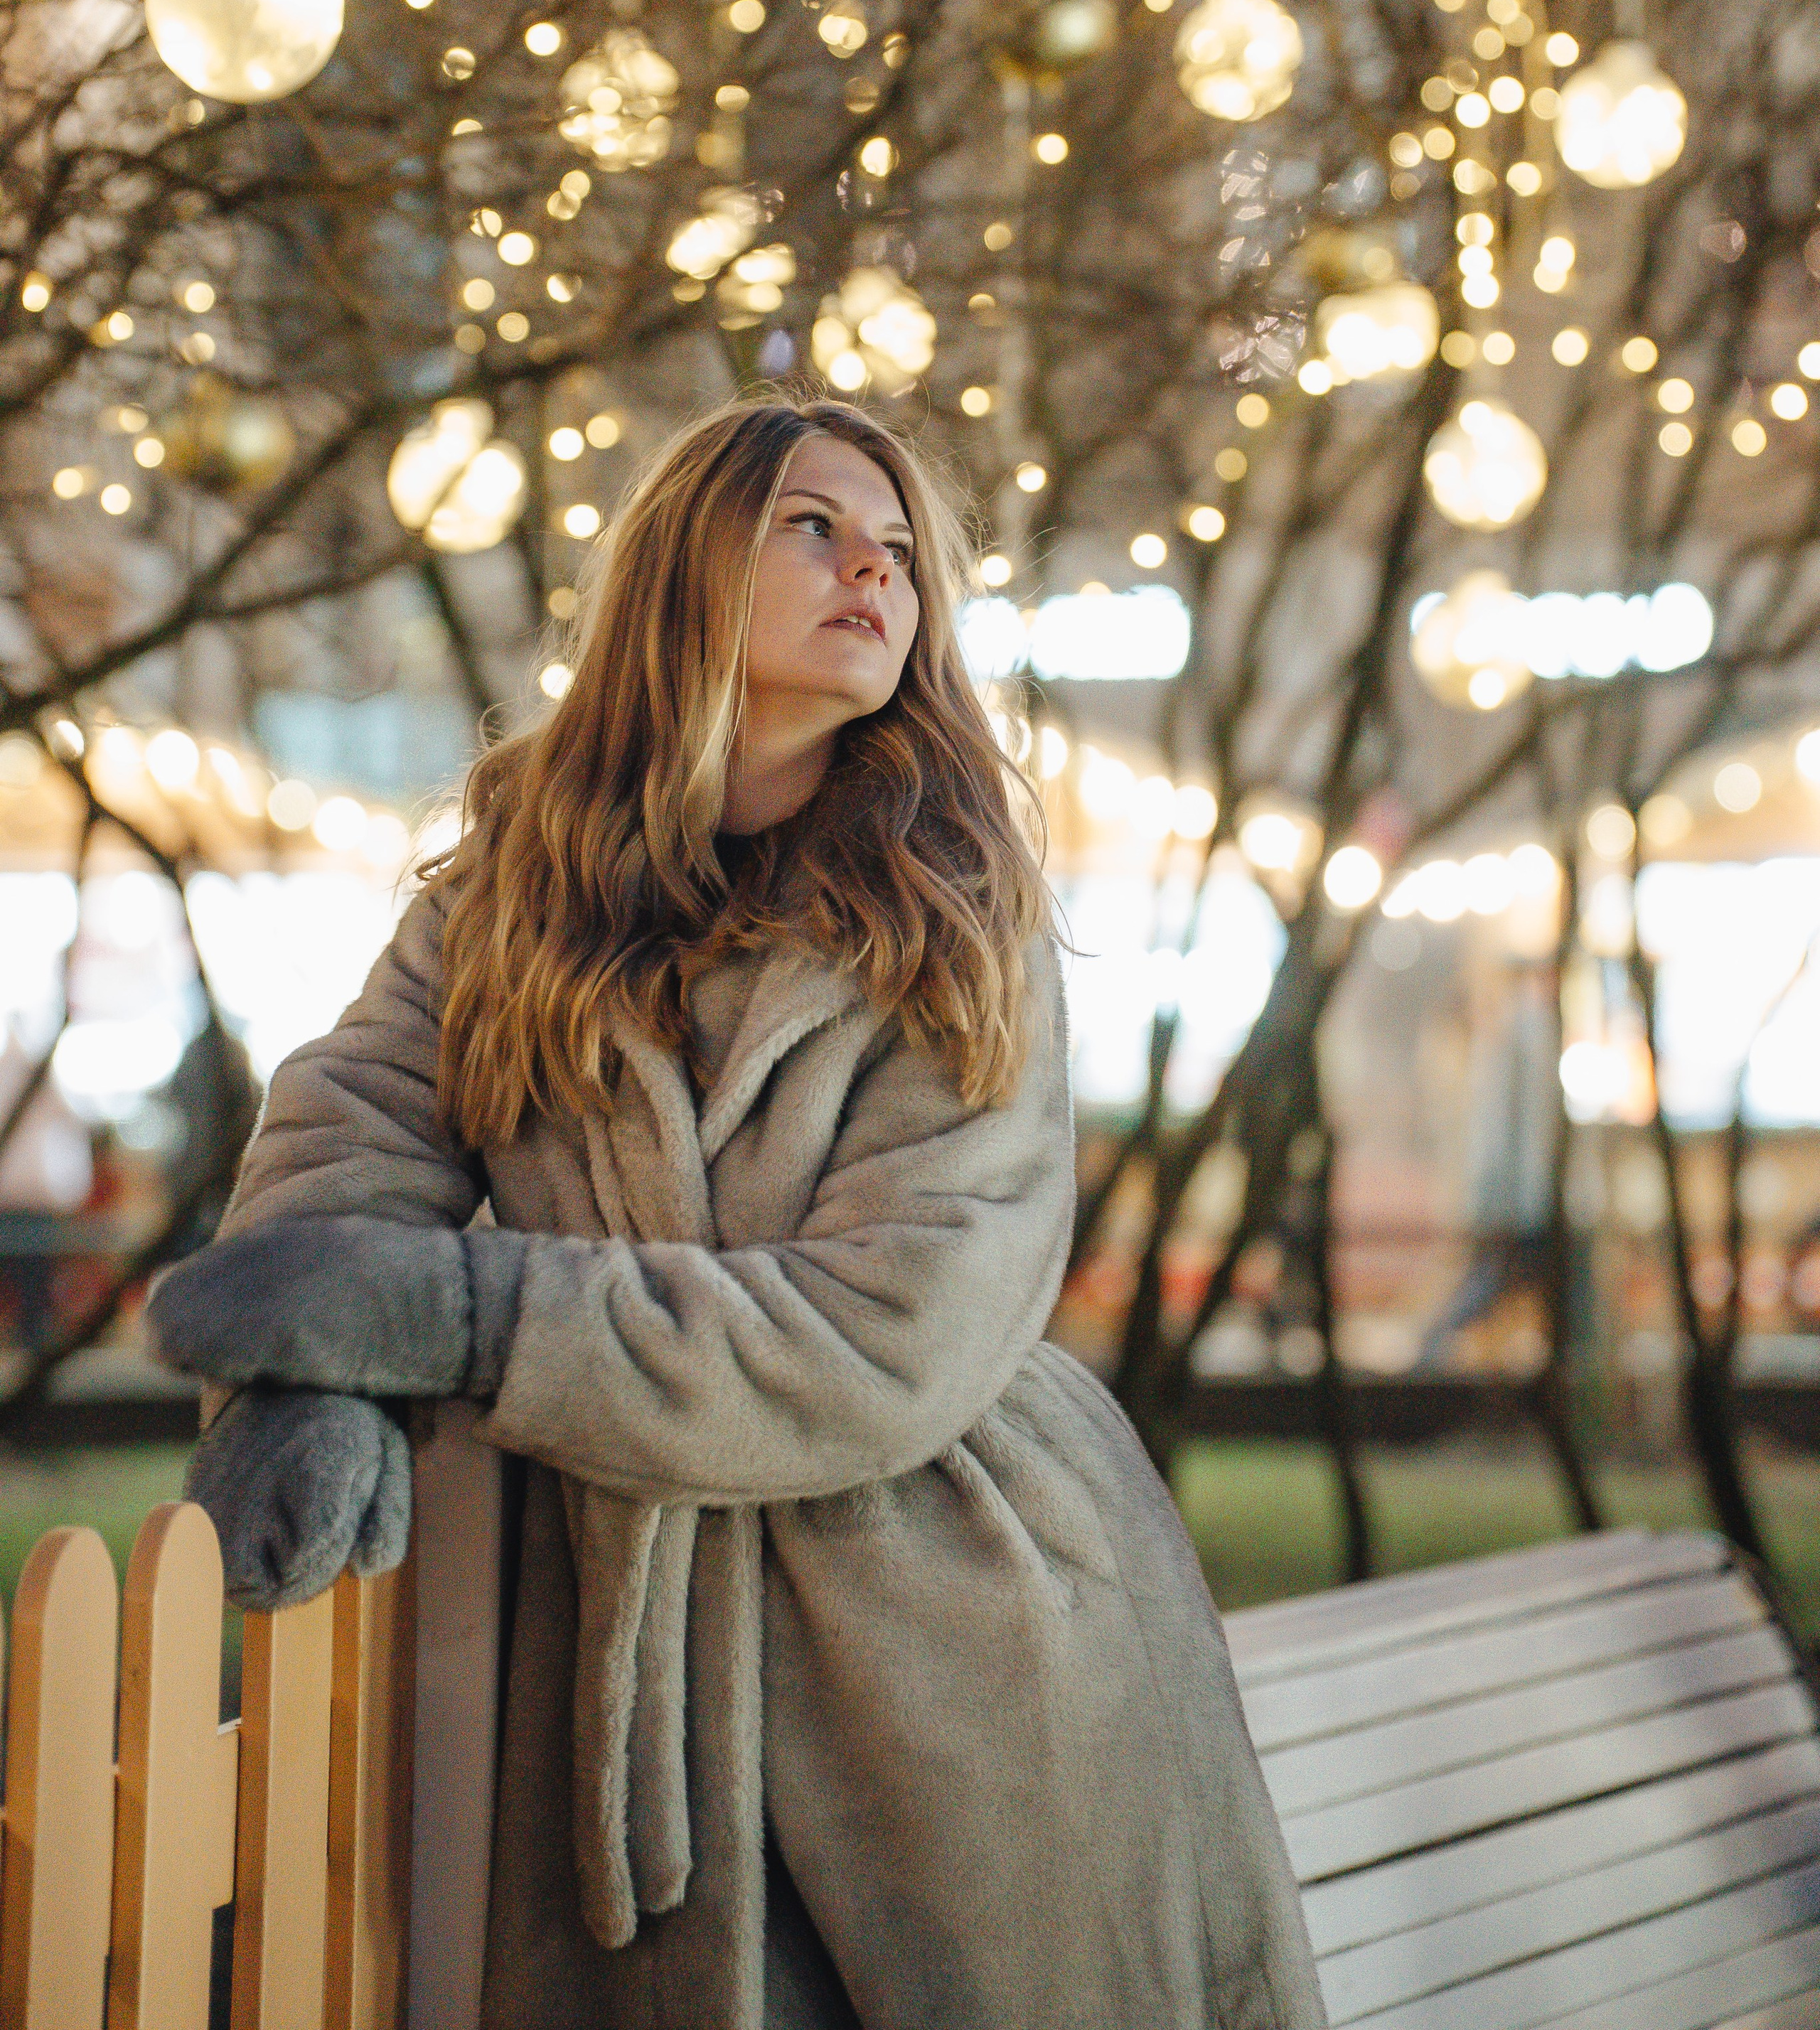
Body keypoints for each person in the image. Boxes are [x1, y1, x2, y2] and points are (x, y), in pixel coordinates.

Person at [150, 394, 1326, 2030]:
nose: (873, 572)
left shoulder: (953, 910)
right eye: (814, 527)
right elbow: (354, 1123)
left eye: (901, 551)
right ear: (683, 569)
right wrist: (310, 1393)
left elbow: (887, 1333)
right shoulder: (513, 887)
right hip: (591, 1626)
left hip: (941, 1623)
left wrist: (468, 1322)